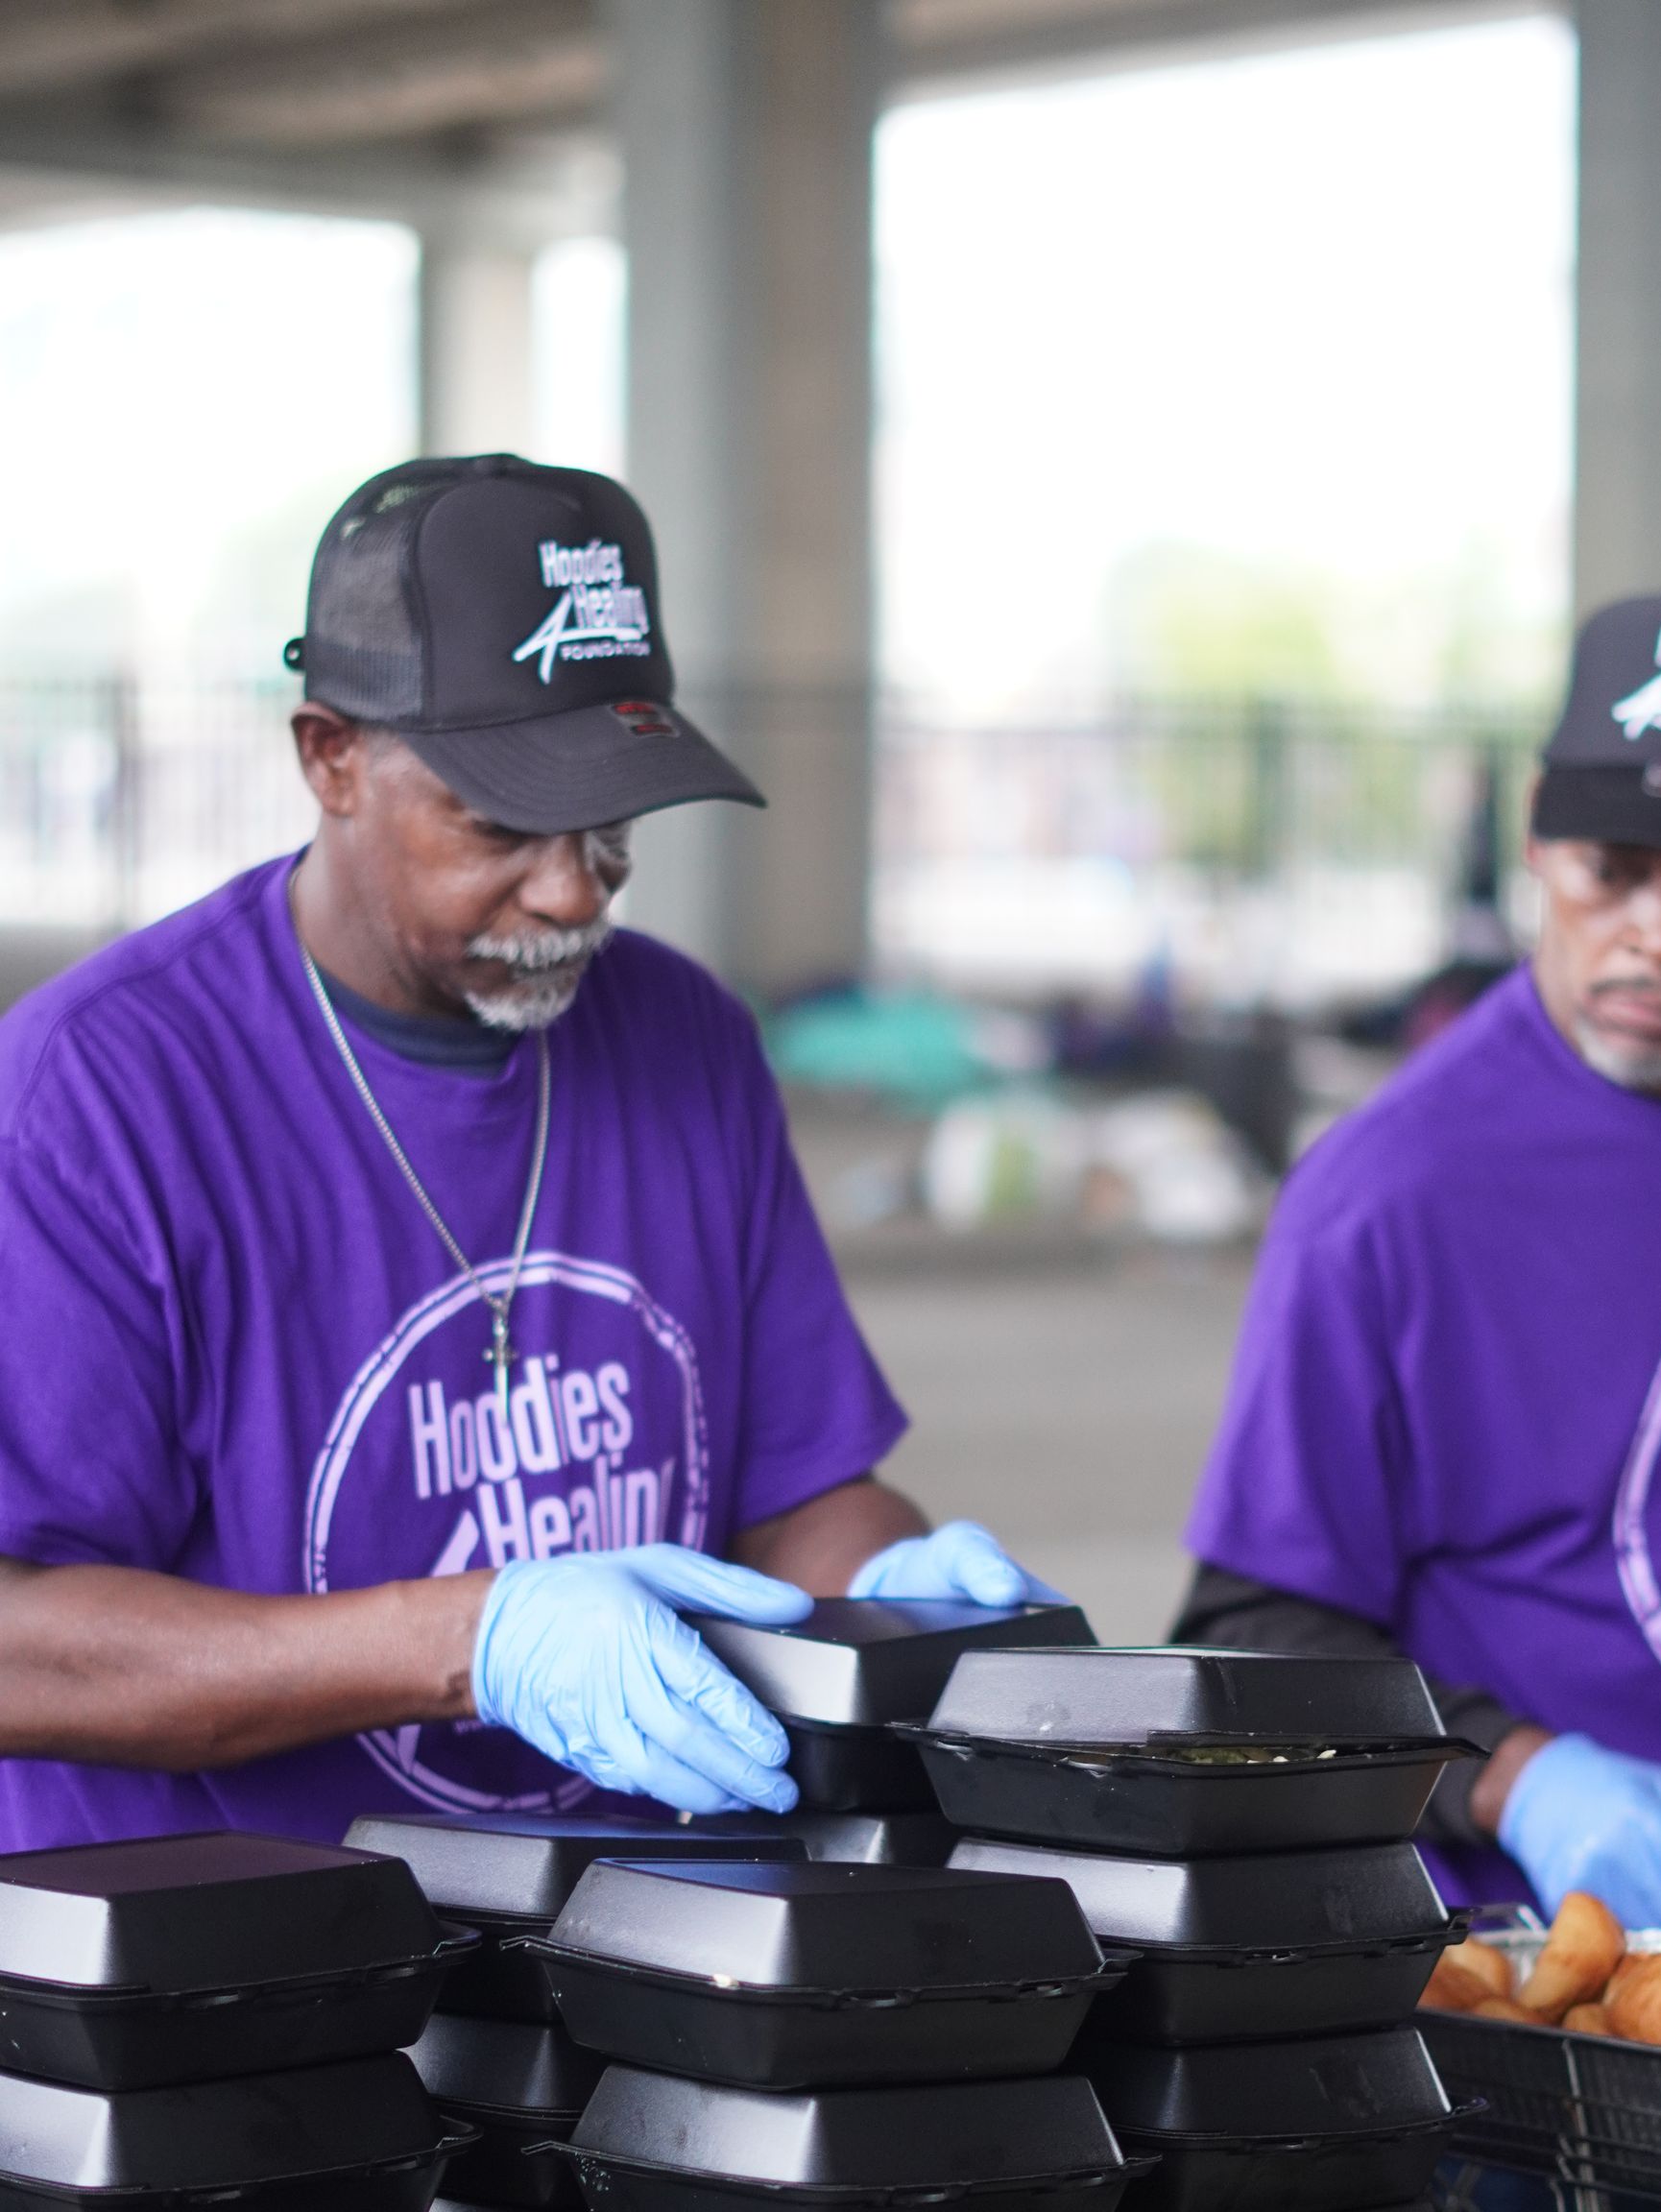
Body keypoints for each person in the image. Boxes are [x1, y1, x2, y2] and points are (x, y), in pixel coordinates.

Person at [0, 454, 1051, 1850]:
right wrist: (471, 1638)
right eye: (497, 823)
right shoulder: (101, 1094)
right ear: (330, 757)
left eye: (611, 824)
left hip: (625, 1949)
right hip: (223, 1983)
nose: (568, 891)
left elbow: (799, 1497)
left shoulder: (688, 1039)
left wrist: (907, 1604)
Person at [1181, 590, 1661, 1939]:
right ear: (1539, 834)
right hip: (1555, 1998)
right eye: (1615, 866)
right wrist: (1522, 1778)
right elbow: (1257, 1634)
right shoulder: (1387, 1196)